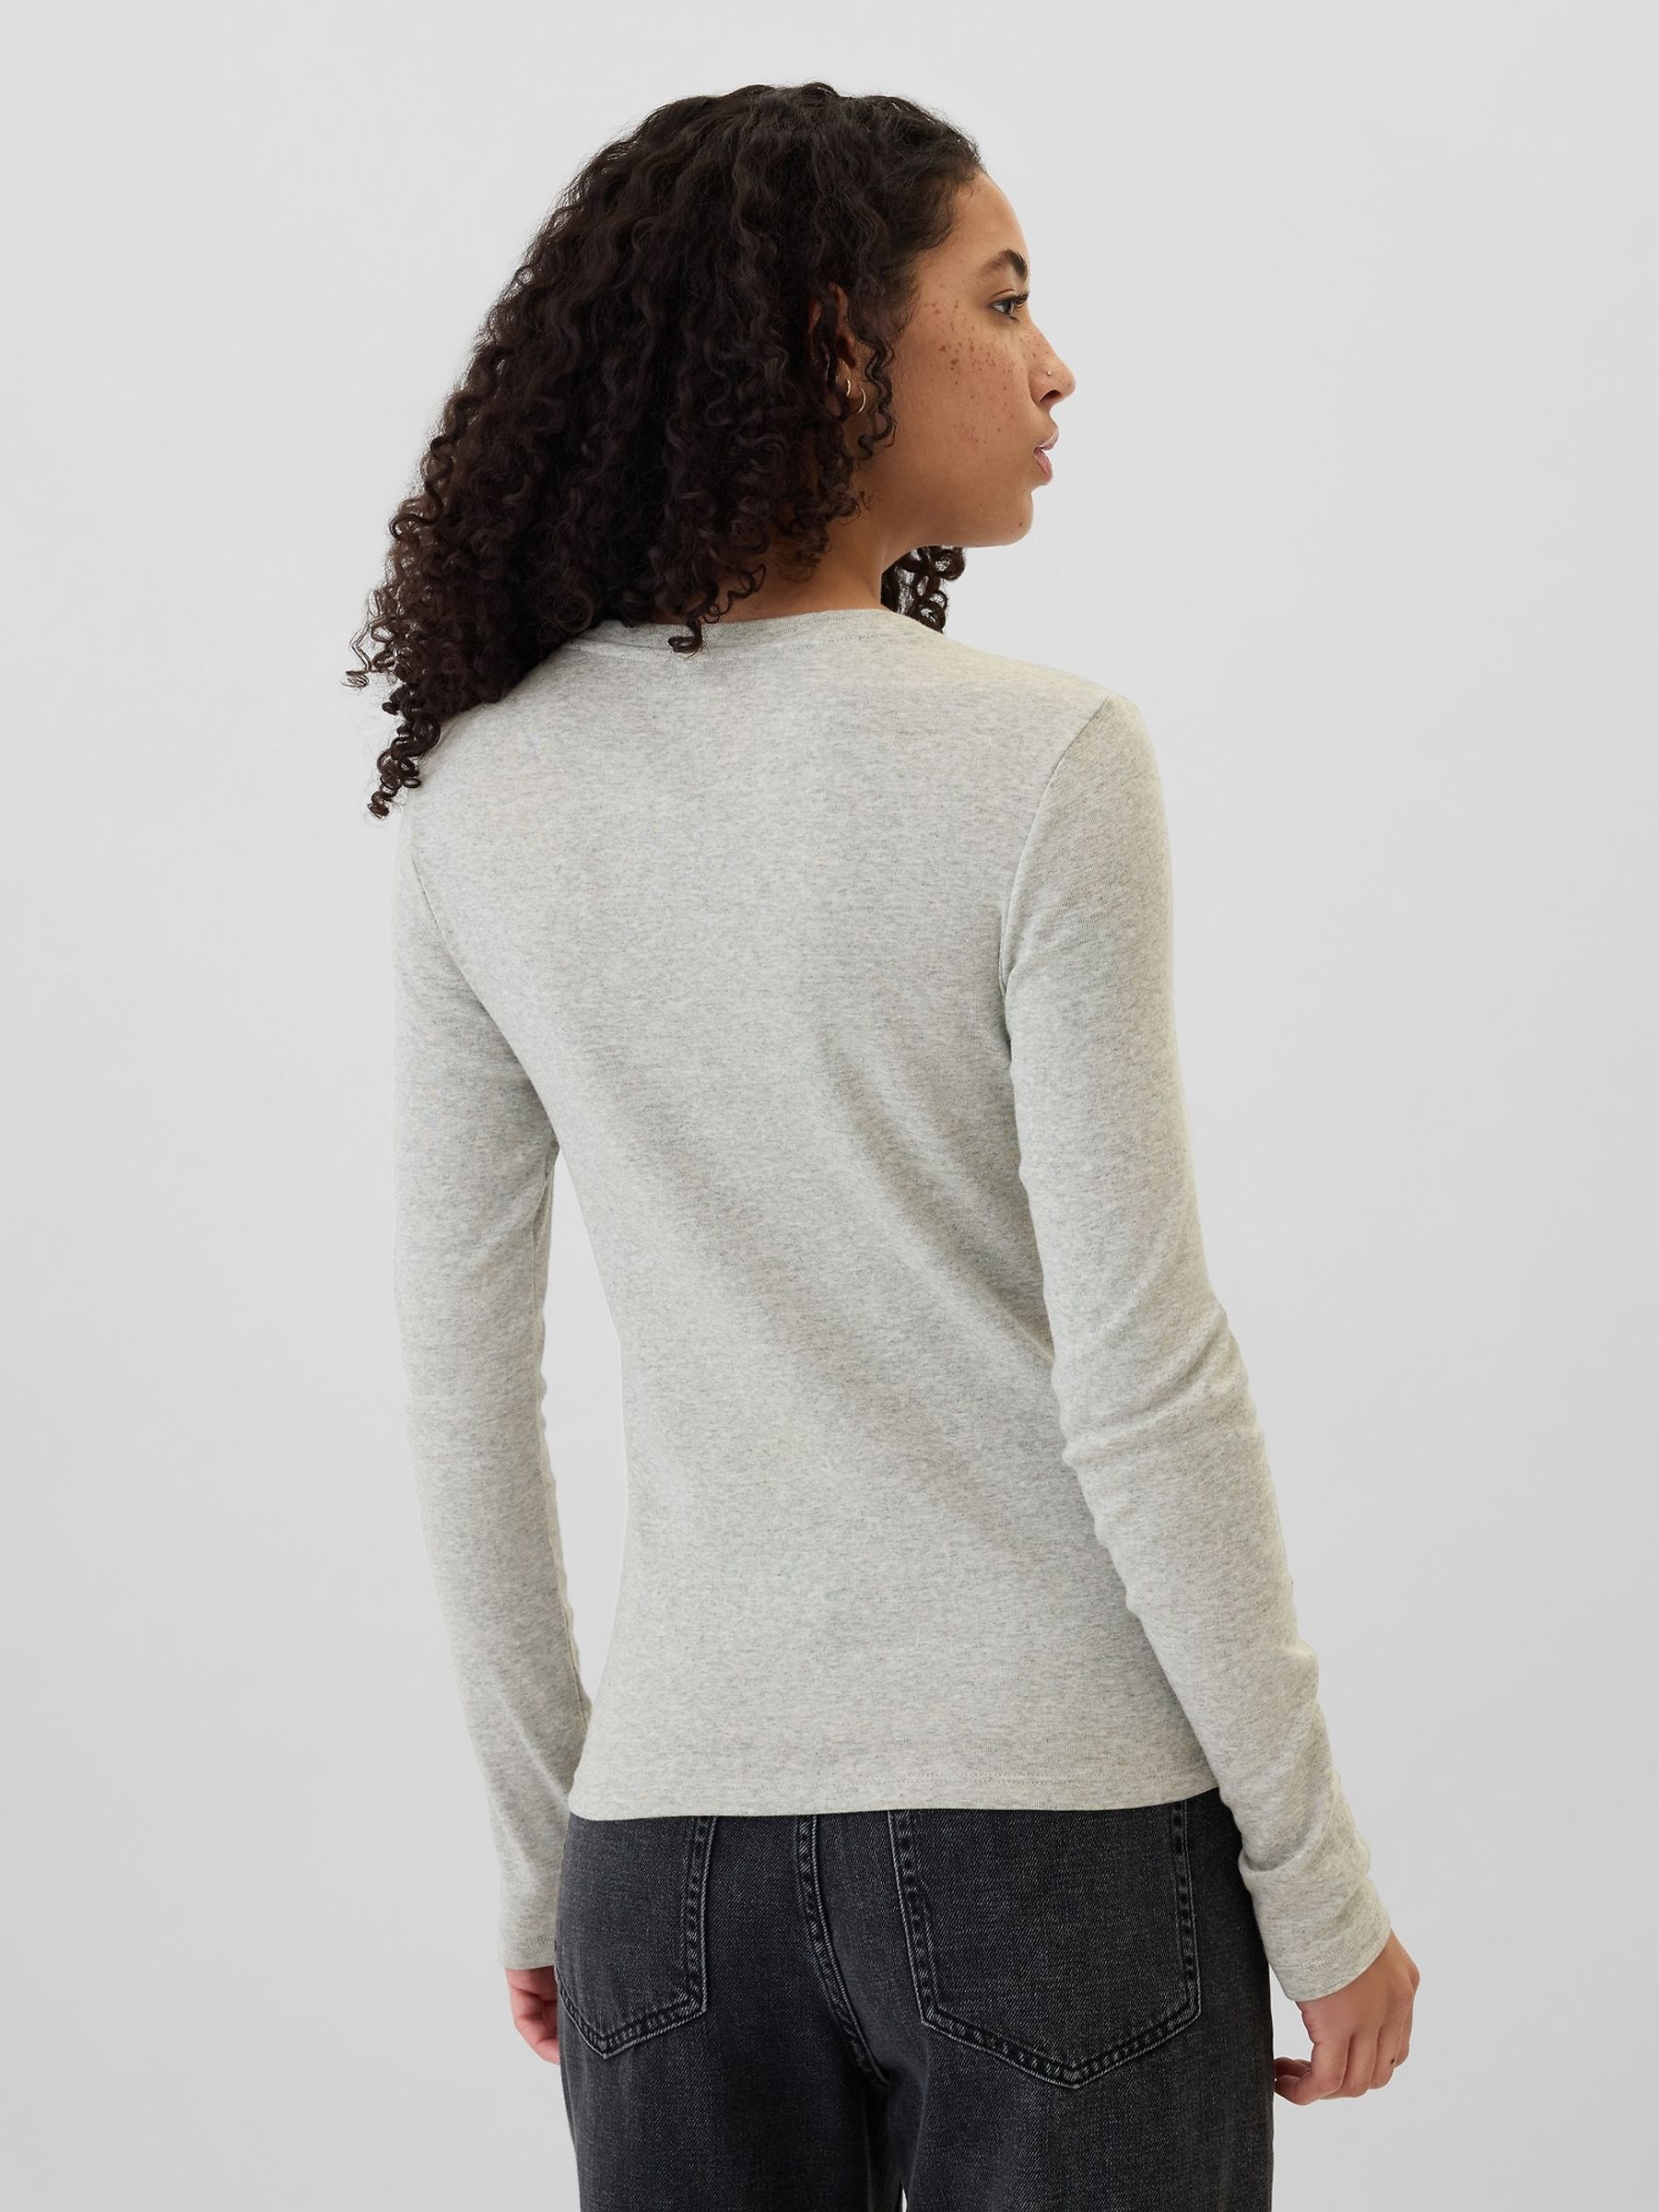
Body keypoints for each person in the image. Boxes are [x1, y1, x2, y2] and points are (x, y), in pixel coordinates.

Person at [353, 80, 1418, 2210]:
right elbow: (1146, 1380)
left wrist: (549, 1856)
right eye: (1003, 301)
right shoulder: (1043, 764)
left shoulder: (479, 801)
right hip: (1066, 1843)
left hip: (668, 1869)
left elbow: (462, 1399)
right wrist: (1316, 1884)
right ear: (838, 342)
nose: (1056, 365)